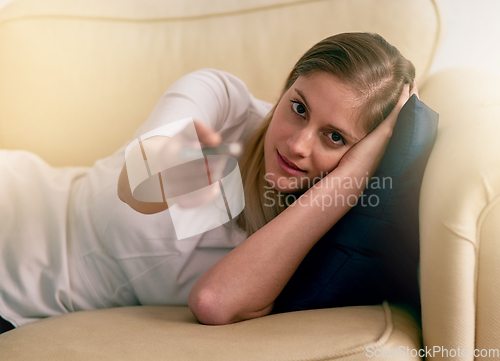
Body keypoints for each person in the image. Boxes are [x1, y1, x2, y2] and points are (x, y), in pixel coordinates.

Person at [0, 32, 417, 333]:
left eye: (335, 136)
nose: (297, 144)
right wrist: (166, 167)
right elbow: (137, 188)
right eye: (298, 107)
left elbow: (214, 301)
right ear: (287, 86)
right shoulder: (223, 102)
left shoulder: (310, 239)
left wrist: (350, 178)